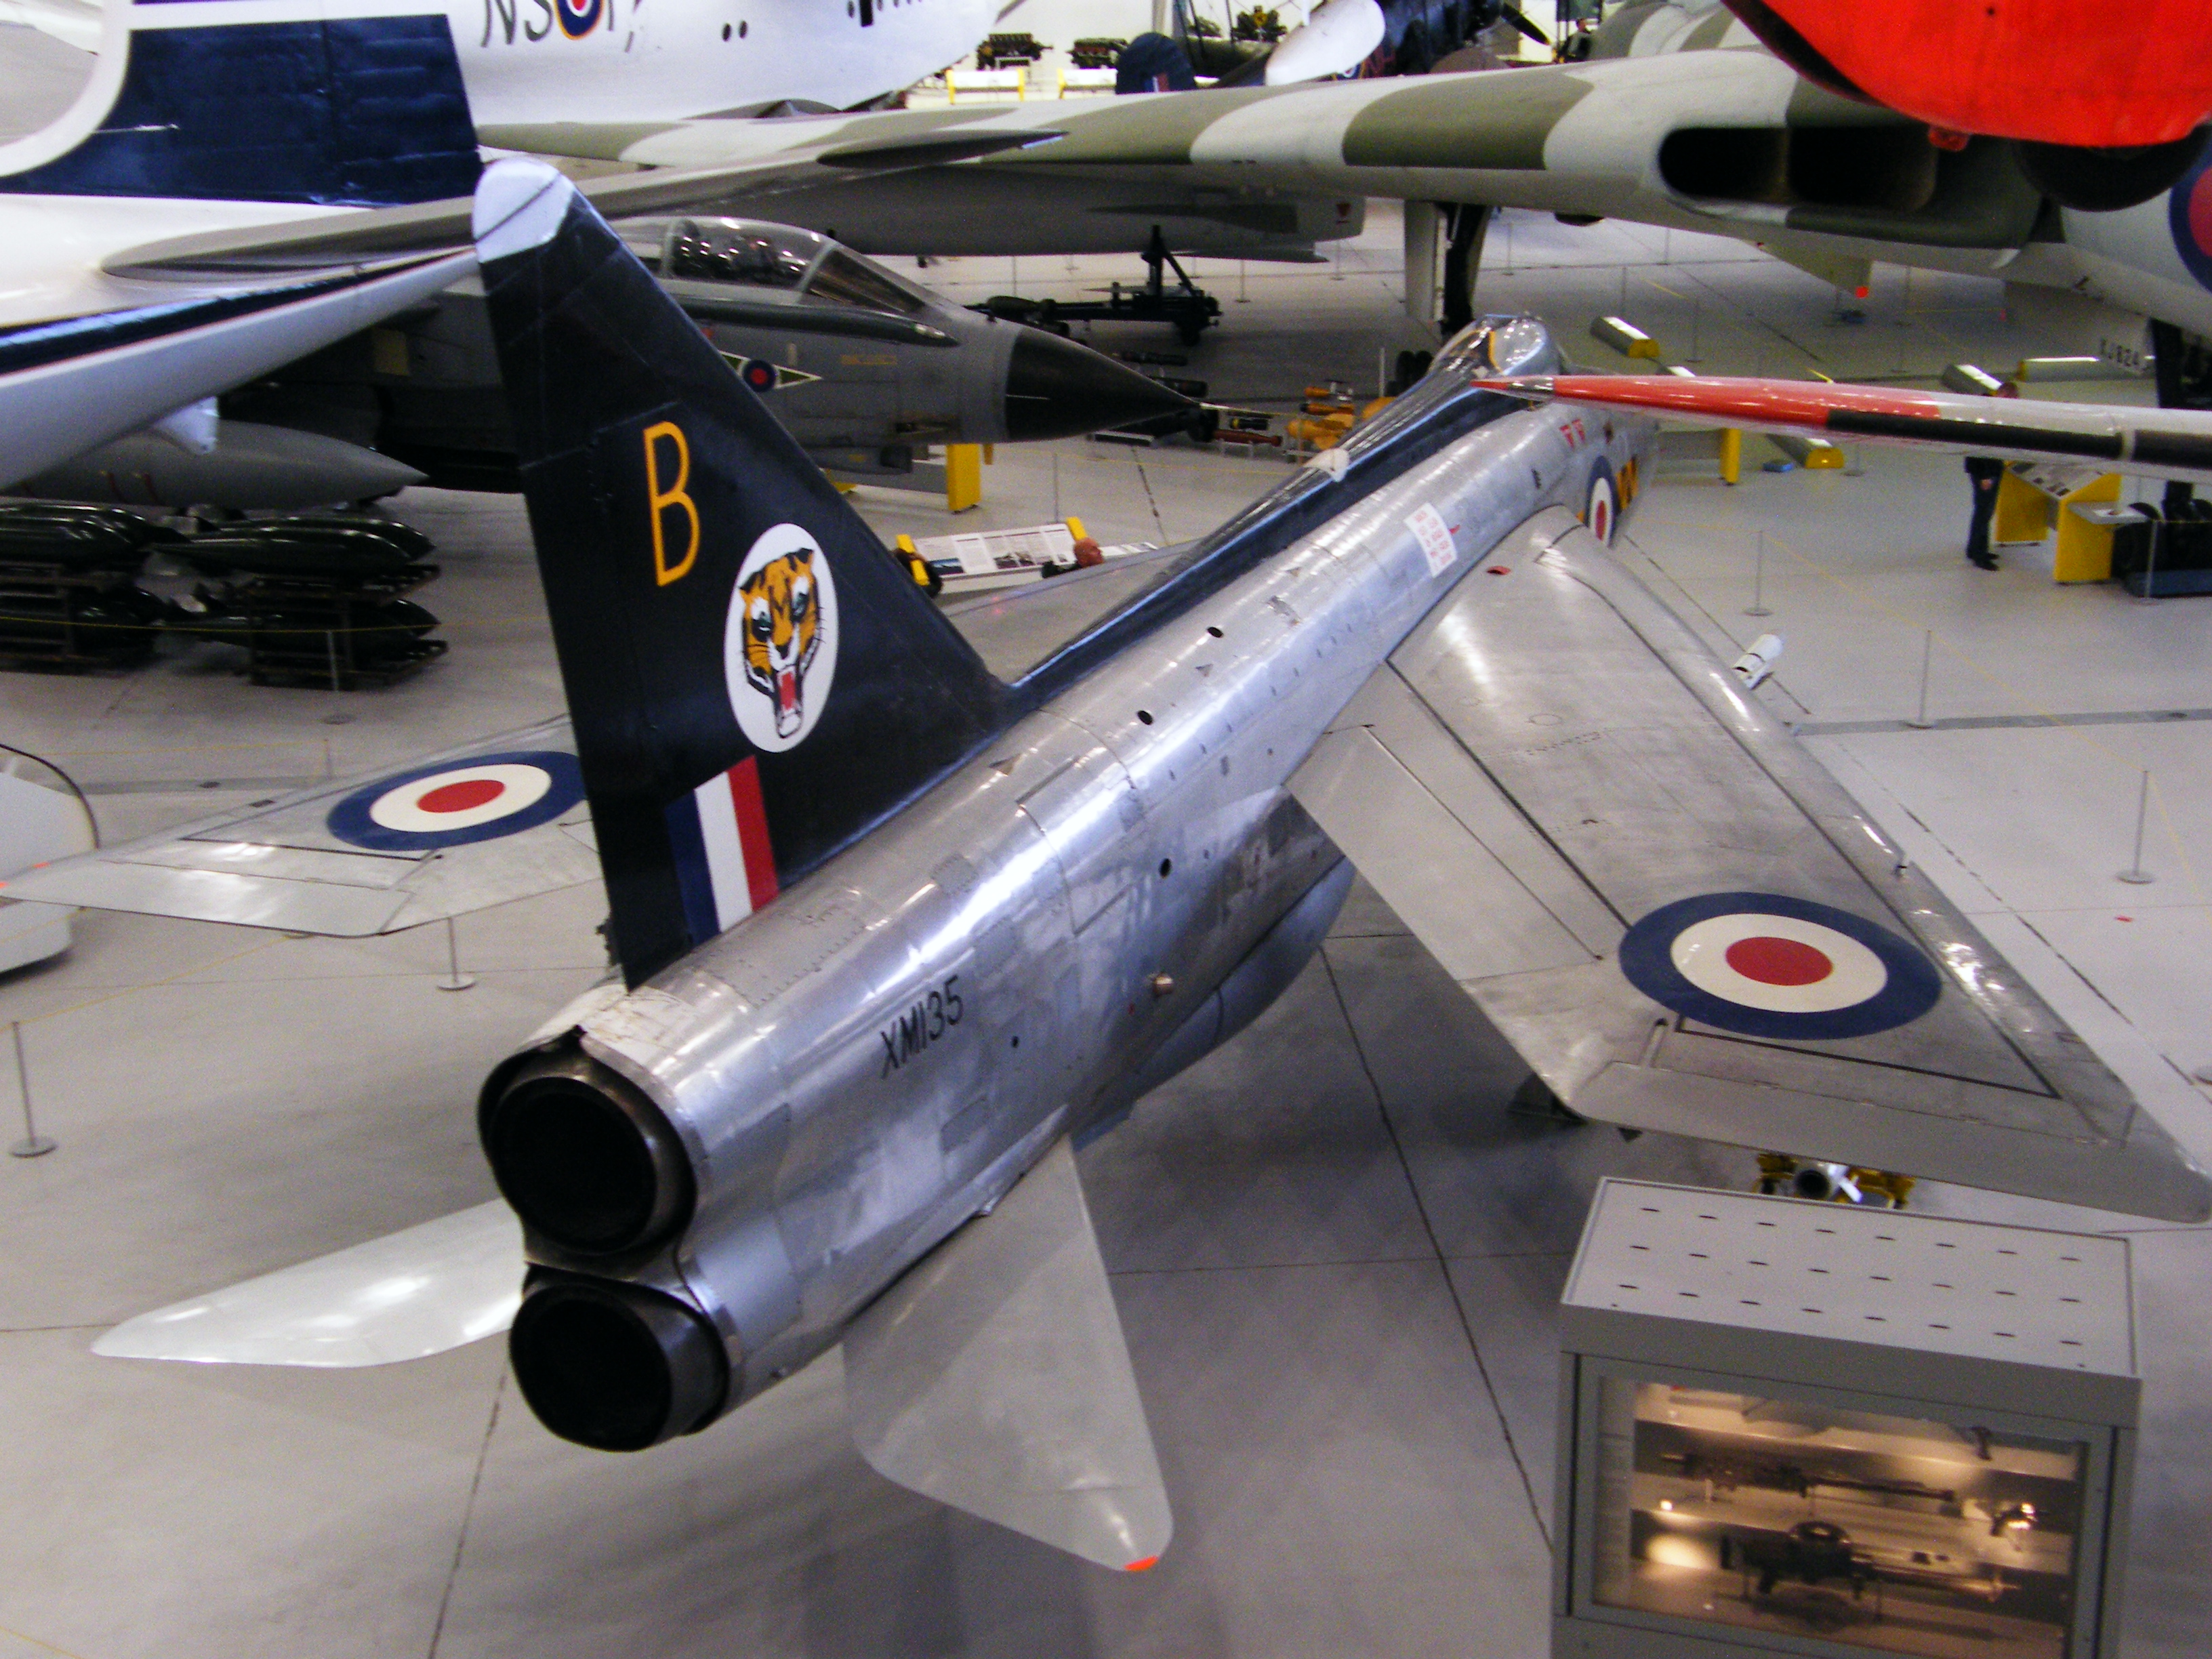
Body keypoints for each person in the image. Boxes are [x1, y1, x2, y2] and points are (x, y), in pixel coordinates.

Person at [1963, 455, 2005, 569]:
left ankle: (1974, 550)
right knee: (1984, 514)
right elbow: (1982, 451)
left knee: (1982, 513)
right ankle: (1980, 555)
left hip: (1987, 470)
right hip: (1986, 471)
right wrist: (1984, 476)